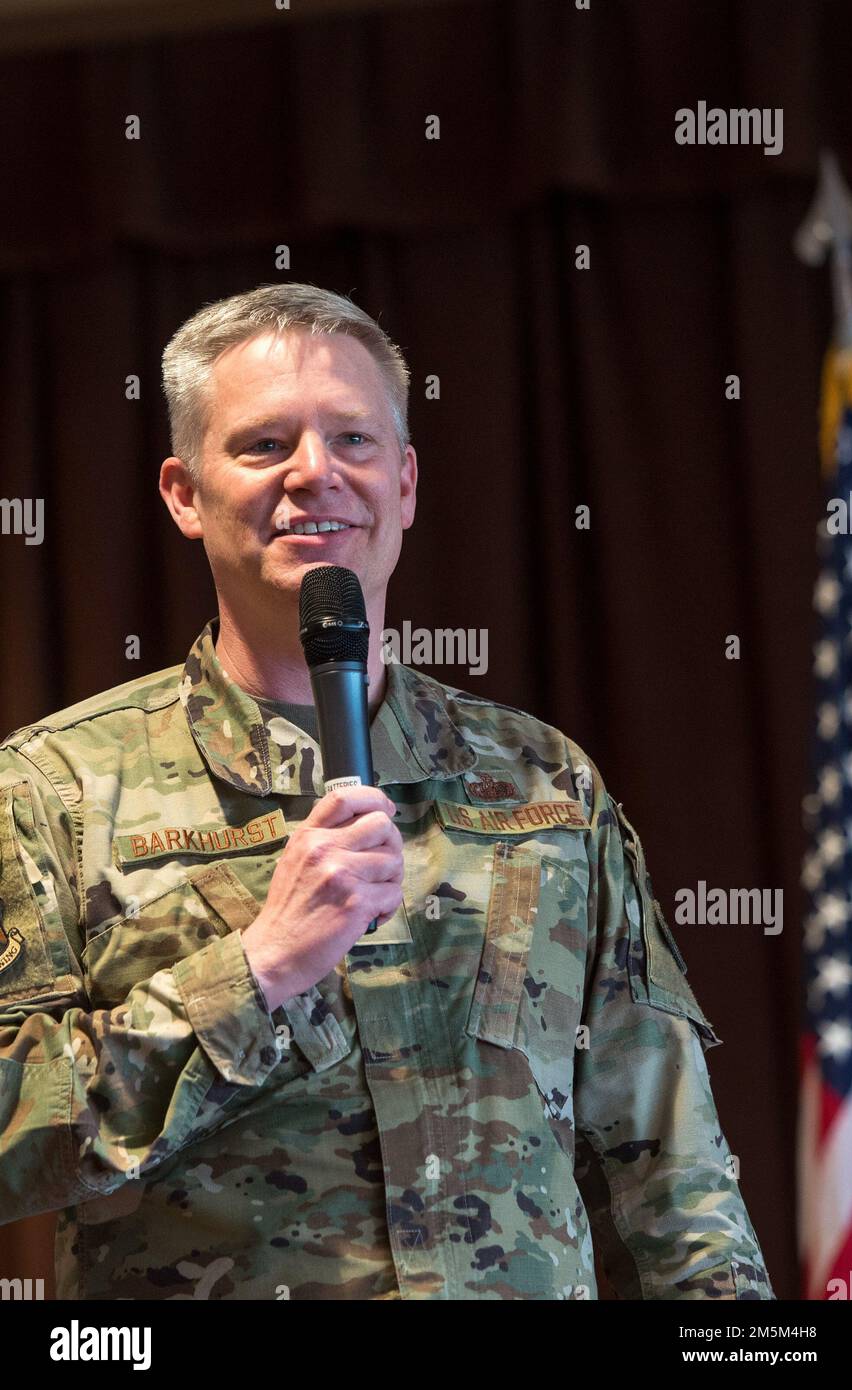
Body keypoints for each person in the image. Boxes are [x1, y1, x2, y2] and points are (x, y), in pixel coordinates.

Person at [0, 283, 774, 1300]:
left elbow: (674, 1172)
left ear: (404, 483)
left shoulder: (544, 783)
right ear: (184, 493)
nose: (315, 474)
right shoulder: (55, 786)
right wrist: (257, 969)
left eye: (354, 441)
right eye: (265, 443)